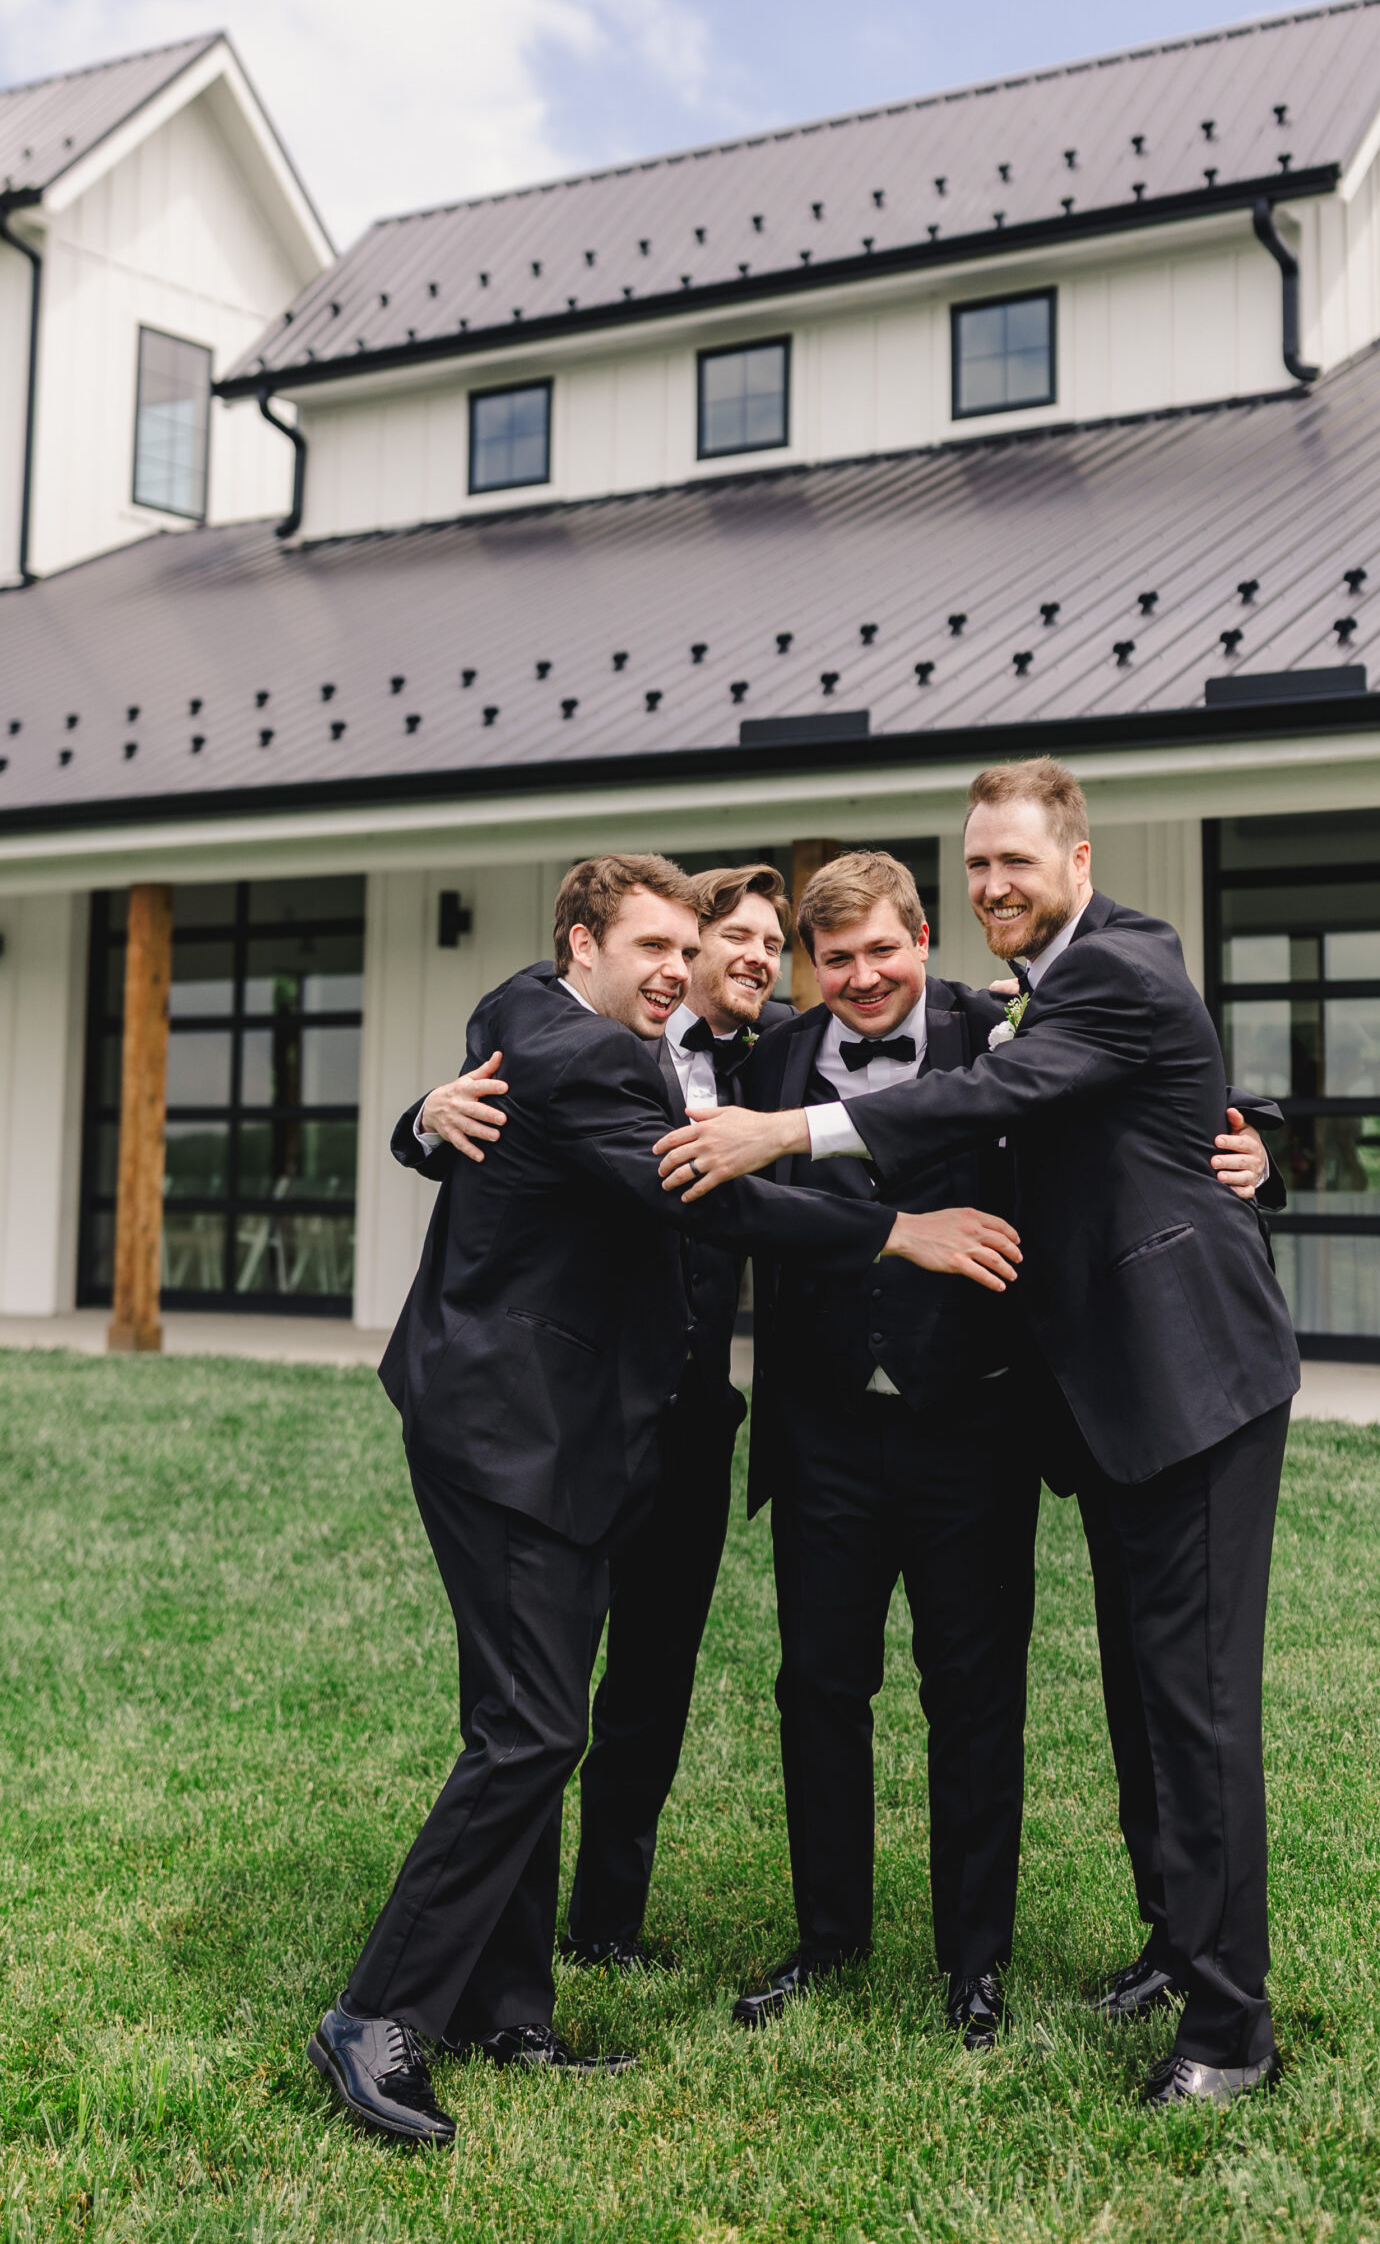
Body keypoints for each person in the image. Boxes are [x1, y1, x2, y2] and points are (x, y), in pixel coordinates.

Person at [309, 854, 1018, 2151]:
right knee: (530, 1731)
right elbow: (698, 1191)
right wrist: (895, 1231)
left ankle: (507, 2014)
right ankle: (378, 2014)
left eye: (682, 951)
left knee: (532, 1725)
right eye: (652, 947)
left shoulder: (541, 1014)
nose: (677, 970)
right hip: (509, 1428)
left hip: (579, 1428)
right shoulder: (580, 1050)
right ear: (582, 944)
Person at [658, 767, 1300, 2109]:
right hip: (1094, 1406)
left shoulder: (1110, 965)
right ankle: (1177, 1947)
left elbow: (999, 1097)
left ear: (1077, 857)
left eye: (1017, 859)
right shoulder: (1050, 984)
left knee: (1195, 1708)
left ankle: (1231, 2028)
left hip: (1182, 1381)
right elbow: (1137, 1101)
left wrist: (788, 1131)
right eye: (979, 863)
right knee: (1143, 1698)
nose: (996, 882)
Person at [395, 863, 796, 1974]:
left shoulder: (782, 1045)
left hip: (687, 1417)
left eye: (774, 944)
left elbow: (913, 1042)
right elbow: (517, 1048)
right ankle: (466, 1982)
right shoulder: (554, 1024)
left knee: (646, 1687)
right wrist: (423, 1114)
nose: (753, 958)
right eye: (728, 938)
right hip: (562, 1413)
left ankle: (597, 1930)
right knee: (536, 1708)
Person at [730, 850, 1038, 2051]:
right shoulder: (771, 1059)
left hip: (973, 1425)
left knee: (974, 1696)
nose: (861, 978)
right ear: (808, 968)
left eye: (881, 951)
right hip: (823, 1431)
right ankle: (827, 1940)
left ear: (923, 938)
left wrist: (1251, 1143)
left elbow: (1149, 1071)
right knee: (817, 1686)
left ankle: (975, 1963)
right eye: (836, 959)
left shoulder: (1002, 1029)